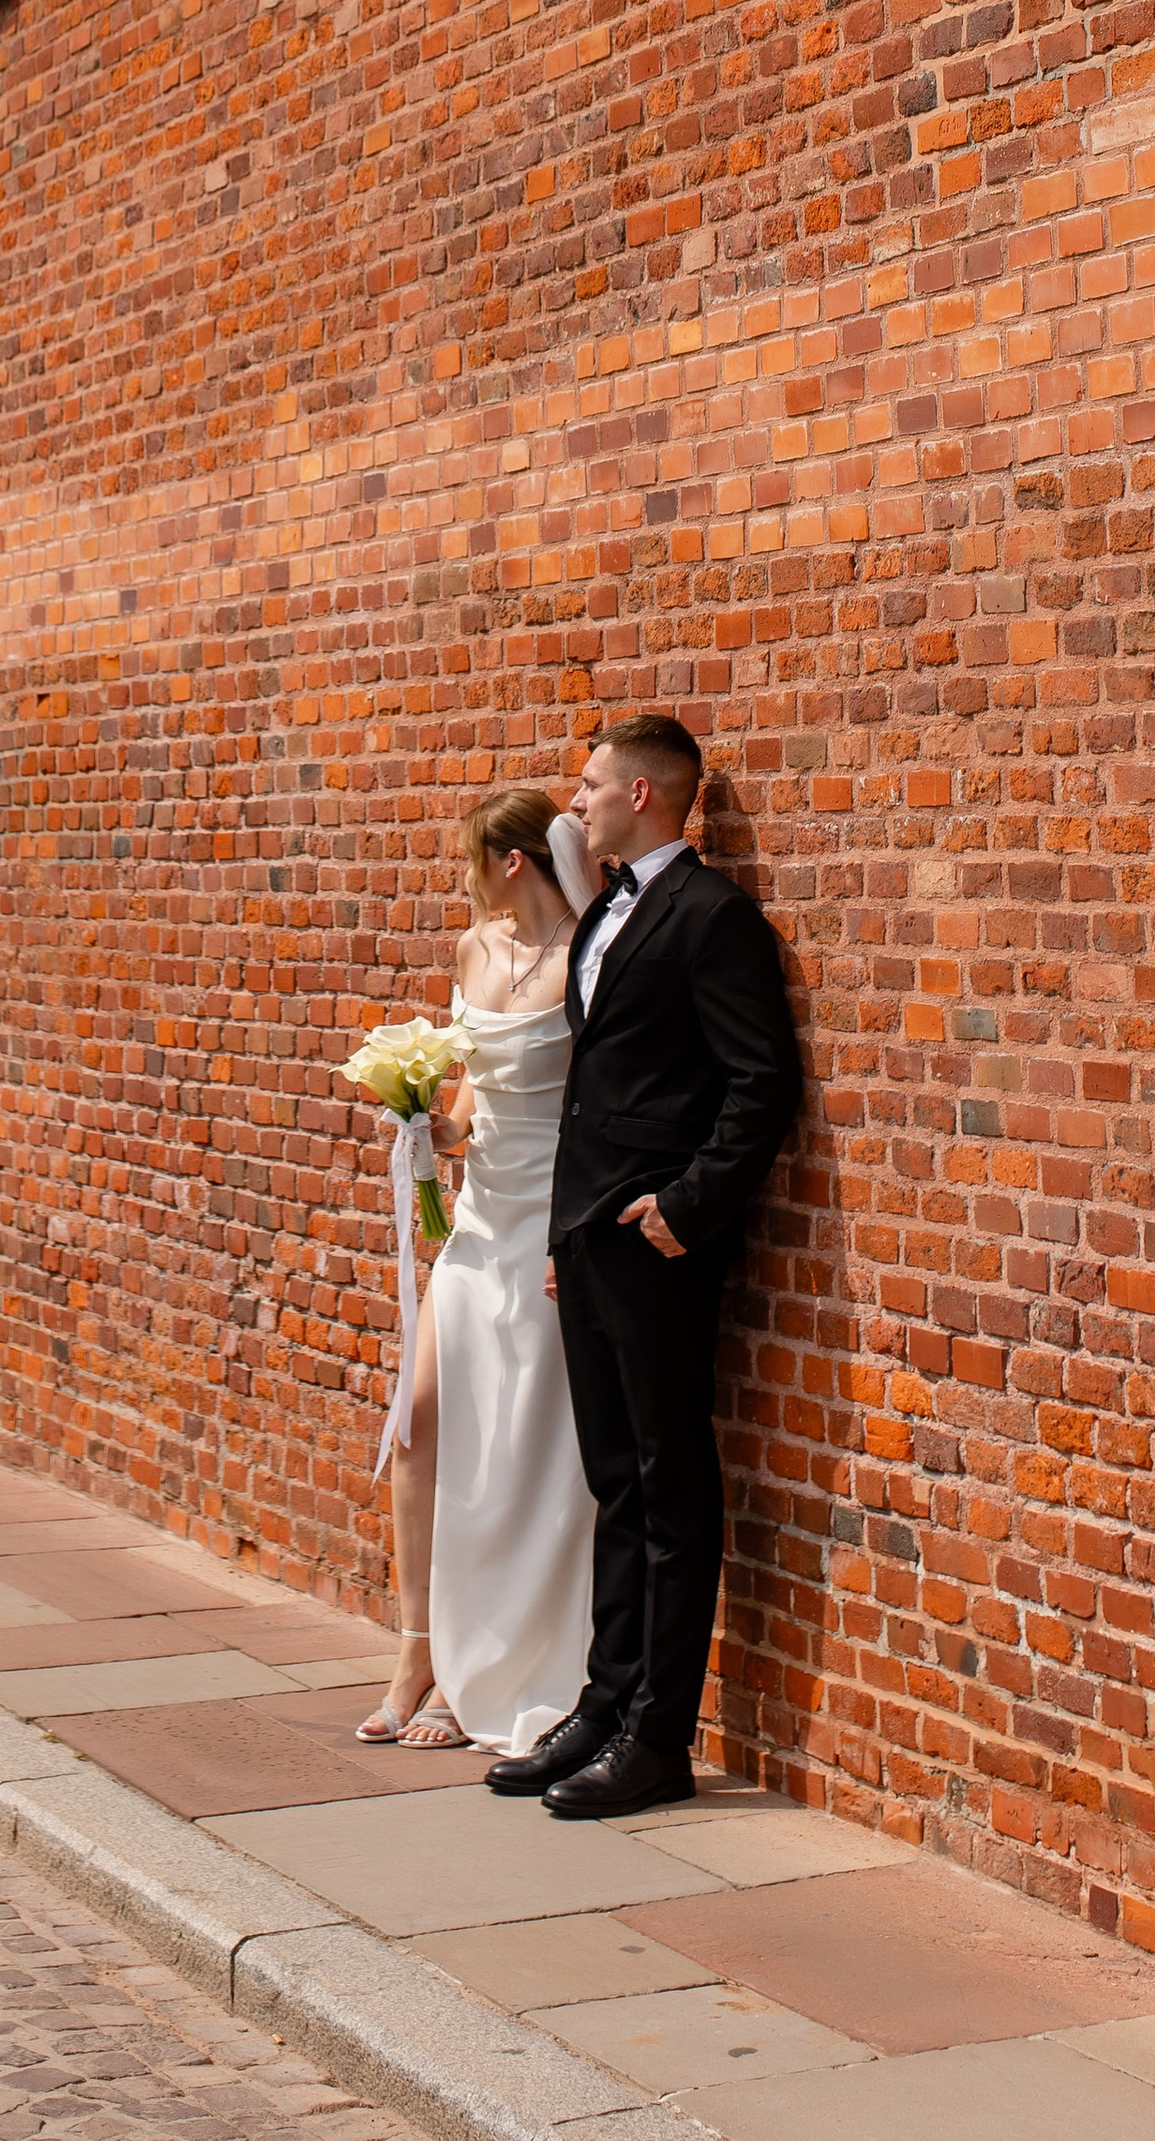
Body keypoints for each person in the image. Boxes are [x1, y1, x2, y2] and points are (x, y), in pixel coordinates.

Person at [486, 711, 802, 1820]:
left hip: (659, 1244)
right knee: (613, 1484)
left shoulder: (712, 918)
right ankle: (602, 1703)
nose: (576, 804)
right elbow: (598, 1090)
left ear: (648, 797)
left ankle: (658, 1738)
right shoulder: (608, 911)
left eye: (590, 788)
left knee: (669, 1488)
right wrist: (567, 1234)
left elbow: (759, 1083)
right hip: (587, 1240)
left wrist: (687, 1207)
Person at [358, 786, 597, 1754]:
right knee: (417, 1425)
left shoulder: (585, 954)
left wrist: (565, 1238)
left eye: (472, 862)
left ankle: (489, 1672)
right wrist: (426, 1124)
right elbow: (471, 1104)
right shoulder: (475, 951)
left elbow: (593, 1103)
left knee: (516, 1458)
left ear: (511, 862)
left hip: (544, 1226)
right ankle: (415, 1649)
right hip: (476, 1222)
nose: (468, 882)